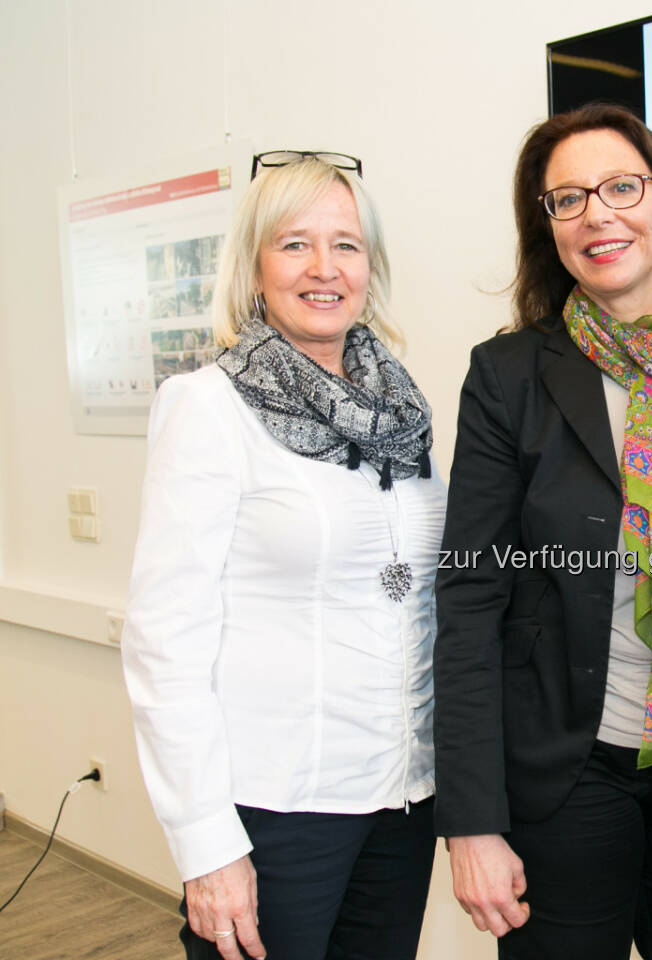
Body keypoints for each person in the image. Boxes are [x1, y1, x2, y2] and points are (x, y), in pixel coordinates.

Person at [433, 103, 652, 959]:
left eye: (621, 187)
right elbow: (471, 597)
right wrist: (473, 823)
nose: (597, 213)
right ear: (549, 231)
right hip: (568, 765)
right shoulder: (509, 377)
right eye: (566, 200)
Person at [122, 152, 444, 960]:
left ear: (372, 266)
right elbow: (164, 641)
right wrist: (207, 844)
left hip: (403, 799)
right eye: (295, 244)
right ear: (255, 266)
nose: (324, 269)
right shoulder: (206, 406)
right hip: (274, 813)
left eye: (346, 245)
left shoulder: (404, 408)